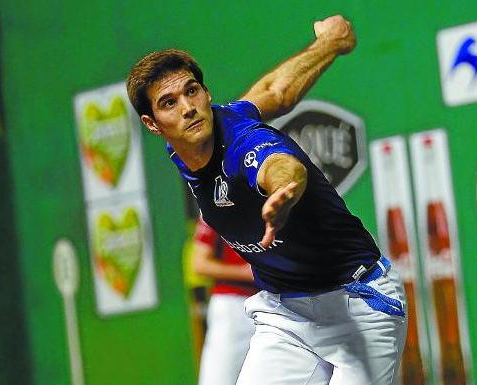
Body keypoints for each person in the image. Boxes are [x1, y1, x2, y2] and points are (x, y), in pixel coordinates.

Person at [127, 14, 407, 385]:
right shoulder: (191, 143)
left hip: (359, 306)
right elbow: (276, 92)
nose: (188, 107)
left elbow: (281, 165)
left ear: (207, 93)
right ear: (152, 124)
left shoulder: (244, 142)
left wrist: (284, 192)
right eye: (169, 102)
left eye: (192, 91)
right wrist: (330, 43)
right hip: (288, 316)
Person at [191, 217, 257, 385]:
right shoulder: (216, 199)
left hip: (278, 304)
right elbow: (199, 264)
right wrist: (249, 273)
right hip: (233, 307)